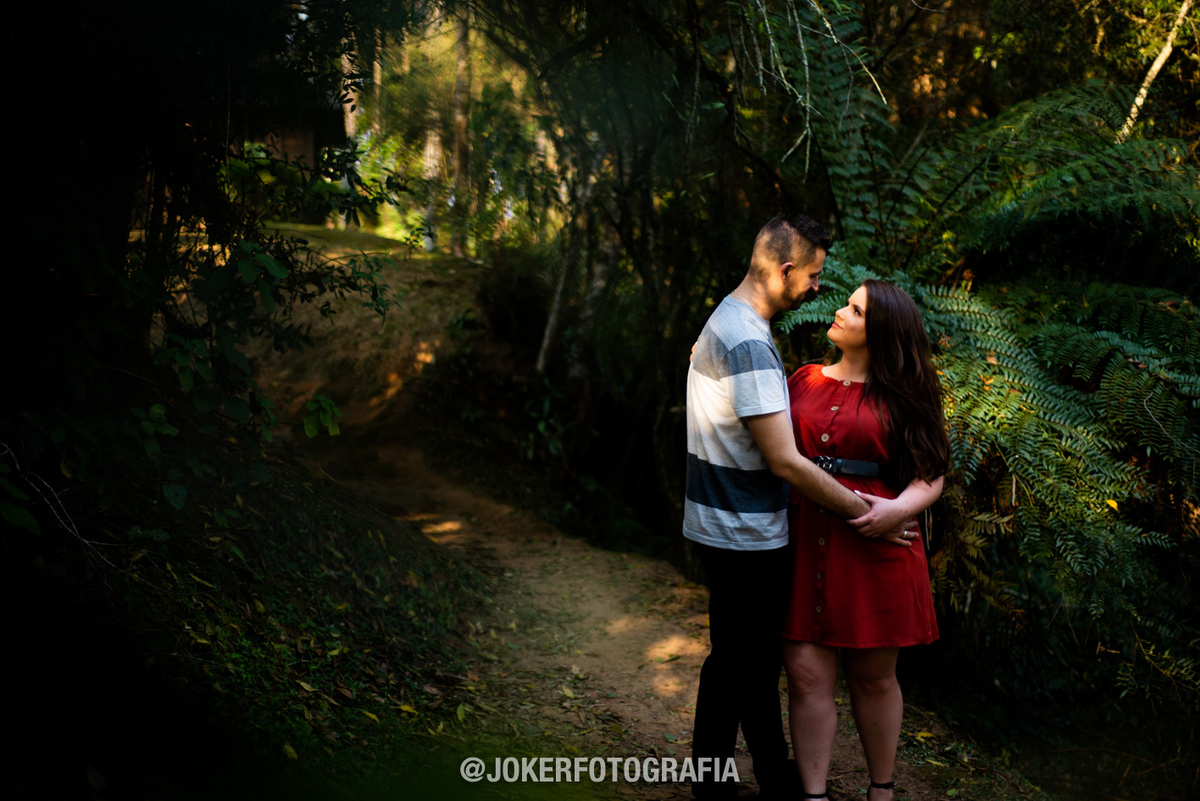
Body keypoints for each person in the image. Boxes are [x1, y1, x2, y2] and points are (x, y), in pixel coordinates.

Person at [684, 216, 930, 800]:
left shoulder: (731, 322)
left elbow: (929, 466)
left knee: (749, 661)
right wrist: (866, 513)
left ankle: (778, 776)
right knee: (737, 666)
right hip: (742, 526)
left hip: (733, 521)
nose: (820, 291)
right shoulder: (752, 341)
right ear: (785, 269)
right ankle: (713, 788)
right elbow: (788, 462)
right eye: (816, 276)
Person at [781, 280, 949, 801]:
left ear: (879, 332)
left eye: (854, 310)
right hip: (806, 536)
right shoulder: (803, 380)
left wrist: (898, 509)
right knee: (807, 676)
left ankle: (882, 791)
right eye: (846, 304)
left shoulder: (905, 392)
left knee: (874, 679)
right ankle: (813, 794)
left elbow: (932, 471)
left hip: (879, 543)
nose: (838, 311)